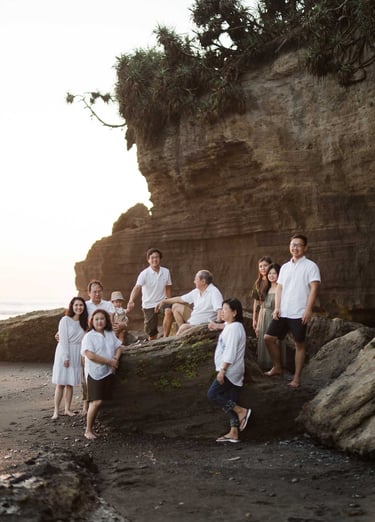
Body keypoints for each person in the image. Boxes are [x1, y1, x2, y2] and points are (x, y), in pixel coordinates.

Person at [264, 234, 321, 388]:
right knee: (268, 338)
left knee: (299, 344)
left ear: (305, 248)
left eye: (299, 245)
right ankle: (277, 367)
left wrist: (308, 310)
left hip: (299, 312)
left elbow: (314, 289)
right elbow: (279, 288)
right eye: (292, 244)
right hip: (283, 311)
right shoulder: (285, 267)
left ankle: (296, 378)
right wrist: (277, 308)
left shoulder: (311, 266)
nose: (295, 247)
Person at [207, 298, 251, 443]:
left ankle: (241, 411)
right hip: (235, 370)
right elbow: (225, 325)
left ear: (234, 312)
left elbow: (230, 352)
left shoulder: (233, 329)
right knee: (230, 400)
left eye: (225, 309)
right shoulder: (233, 326)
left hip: (230, 370)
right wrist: (216, 325)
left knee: (213, 394)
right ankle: (234, 432)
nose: (222, 312)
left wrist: (222, 370)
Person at [81, 309, 124, 440]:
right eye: (97, 319)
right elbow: (90, 355)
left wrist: (115, 359)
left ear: (106, 321)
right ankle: (88, 430)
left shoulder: (110, 334)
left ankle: (98, 425)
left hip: (108, 372)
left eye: (102, 319)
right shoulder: (89, 336)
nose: (99, 321)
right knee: (96, 401)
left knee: (103, 400)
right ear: (92, 322)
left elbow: (119, 347)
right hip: (95, 373)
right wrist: (108, 361)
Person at [51, 297, 88, 419]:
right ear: (72, 306)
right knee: (61, 382)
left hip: (77, 352)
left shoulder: (84, 322)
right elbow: (63, 340)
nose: (79, 307)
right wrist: (66, 357)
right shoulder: (65, 320)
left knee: (70, 383)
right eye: (76, 305)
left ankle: (67, 409)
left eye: (81, 305)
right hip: (64, 350)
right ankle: (56, 411)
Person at [156, 269, 223, 335]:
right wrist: (164, 301)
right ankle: (186, 332)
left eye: (196, 279)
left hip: (204, 324)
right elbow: (180, 299)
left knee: (183, 328)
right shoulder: (196, 291)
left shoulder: (214, 292)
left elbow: (219, 310)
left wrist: (216, 327)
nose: (194, 281)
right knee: (176, 306)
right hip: (194, 319)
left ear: (203, 281)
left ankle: (184, 332)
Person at [127, 248, 173, 340]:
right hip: (148, 305)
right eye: (152, 258)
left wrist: (169, 301)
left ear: (160, 259)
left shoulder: (166, 271)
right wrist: (131, 300)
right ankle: (152, 343)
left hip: (162, 301)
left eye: (157, 257)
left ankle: (165, 338)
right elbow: (137, 287)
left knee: (169, 312)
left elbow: (168, 288)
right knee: (152, 334)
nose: (155, 260)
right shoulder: (144, 274)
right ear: (148, 260)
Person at [256, 263, 285, 370]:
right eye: (270, 273)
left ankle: (277, 366)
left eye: (274, 273)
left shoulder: (281, 287)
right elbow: (261, 308)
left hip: (275, 318)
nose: (272, 275)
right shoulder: (265, 288)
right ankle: (265, 366)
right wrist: (258, 325)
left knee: (274, 341)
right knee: (263, 341)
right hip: (264, 317)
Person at [251, 256, 273, 333]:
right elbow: (256, 302)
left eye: (265, 265)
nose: (263, 268)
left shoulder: (273, 280)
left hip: (271, 310)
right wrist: (254, 319)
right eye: (260, 266)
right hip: (261, 311)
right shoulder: (258, 283)